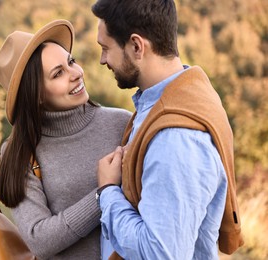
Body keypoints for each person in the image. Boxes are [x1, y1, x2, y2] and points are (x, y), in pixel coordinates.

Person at [91, 0, 244, 259]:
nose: (102, 60)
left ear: (137, 46)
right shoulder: (178, 96)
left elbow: (159, 253)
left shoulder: (175, 139)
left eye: (106, 48)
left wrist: (107, 192)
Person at [0, 19, 132, 259]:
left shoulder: (122, 123)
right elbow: (39, 240)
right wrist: (104, 193)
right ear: (36, 94)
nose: (76, 74)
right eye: (58, 74)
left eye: (71, 62)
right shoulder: (19, 152)